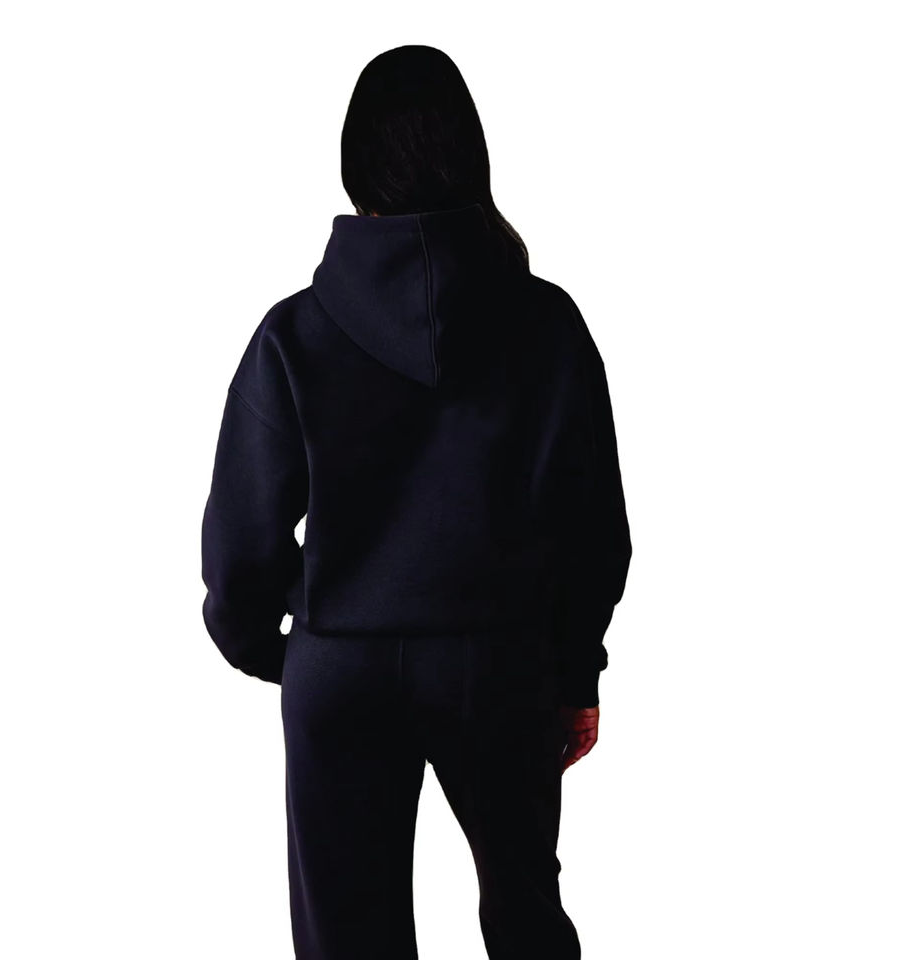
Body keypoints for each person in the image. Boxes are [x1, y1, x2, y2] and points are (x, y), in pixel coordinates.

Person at [201, 43, 632, 960]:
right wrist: (575, 672)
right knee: (527, 921)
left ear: (354, 165)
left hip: (341, 666)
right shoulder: (546, 322)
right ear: (472, 155)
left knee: (348, 944)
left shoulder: (294, 333)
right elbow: (593, 526)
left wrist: (281, 650)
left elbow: (242, 541)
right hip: (500, 661)